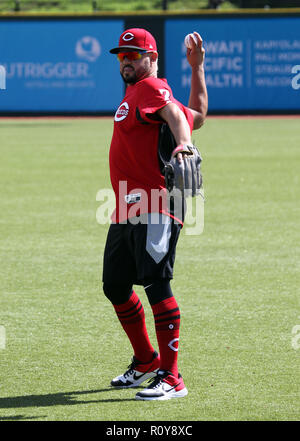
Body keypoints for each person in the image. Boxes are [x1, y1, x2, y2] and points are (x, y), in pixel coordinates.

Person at [102, 28, 207, 401]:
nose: (126, 61)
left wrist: (183, 144)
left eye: (133, 54)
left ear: (151, 57)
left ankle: (172, 377)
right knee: (114, 285)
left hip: (156, 204)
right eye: (120, 56)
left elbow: (180, 122)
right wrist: (198, 70)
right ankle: (147, 360)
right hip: (126, 207)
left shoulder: (152, 88)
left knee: (156, 284)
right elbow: (195, 115)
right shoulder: (137, 93)